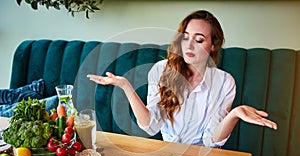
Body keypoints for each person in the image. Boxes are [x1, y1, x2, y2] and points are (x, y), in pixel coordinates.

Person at [87, 10, 277, 147]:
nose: (189, 45)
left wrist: (234, 114)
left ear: (213, 45)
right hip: (167, 154)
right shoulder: (161, 70)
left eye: (199, 39)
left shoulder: (225, 83)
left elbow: (212, 140)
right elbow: (150, 126)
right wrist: (126, 86)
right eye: (185, 37)